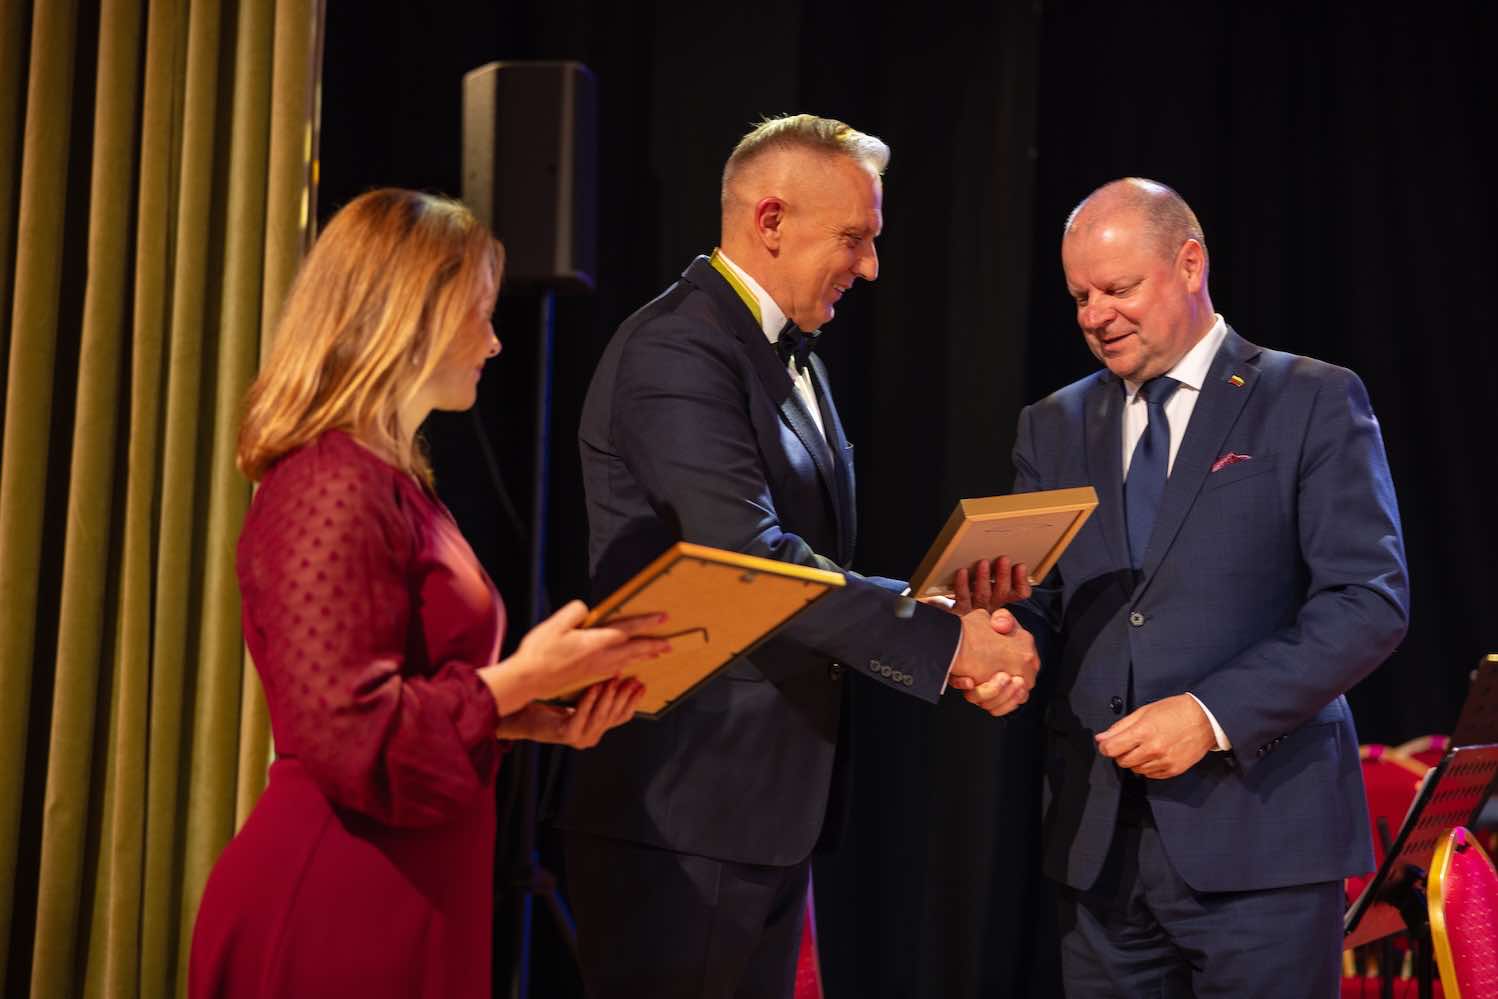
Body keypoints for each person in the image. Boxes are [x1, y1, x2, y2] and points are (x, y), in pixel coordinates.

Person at [557, 114, 1040, 998]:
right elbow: (753, 559)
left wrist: (936, 606)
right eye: (854, 238)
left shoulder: (792, 353)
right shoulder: (678, 348)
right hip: (683, 812)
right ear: (770, 220)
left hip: (760, 811)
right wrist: (947, 645)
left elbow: (803, 556)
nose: (871, 266)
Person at [188, 188, 669, 999]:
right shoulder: (329, 482)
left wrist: (525, 715)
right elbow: (351, 735)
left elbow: (410, 694)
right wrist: (522, 676)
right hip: (337, 900)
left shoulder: (396, 484)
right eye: (480, 311)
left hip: (407, 884)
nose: (495, 340)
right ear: (412, 313)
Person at [1001, 177, 1410, 996]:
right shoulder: (1051, 423)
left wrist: (1210, 713)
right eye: (1080, 296)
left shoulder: (1311, 397)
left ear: (1190, 265)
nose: (1094, 315)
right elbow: (1040, 601)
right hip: (1099, 853)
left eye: (1118, 289)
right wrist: (1005, 637)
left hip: (1265, 844)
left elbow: (1368, 601)